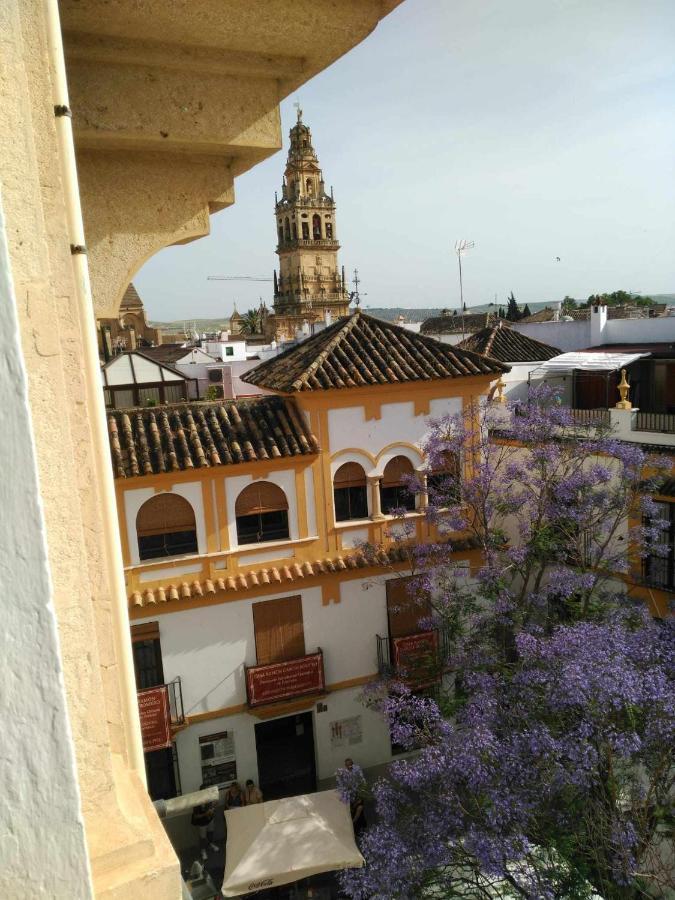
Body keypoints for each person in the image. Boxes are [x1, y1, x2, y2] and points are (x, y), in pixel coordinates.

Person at [191, 783, 218, 861]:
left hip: (210, 819)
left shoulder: (209, 797)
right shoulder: (196, 800)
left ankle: (211, 844)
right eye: (207, 790)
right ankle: (203, 851)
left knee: (211, 833)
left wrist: (213, 808)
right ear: (202, 791)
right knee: (202, 838)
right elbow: (196, 816)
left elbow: (215, 803)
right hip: (201, 821)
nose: (208, 792)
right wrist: (205, 814)